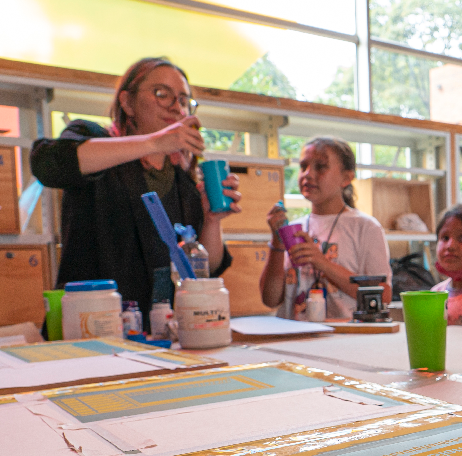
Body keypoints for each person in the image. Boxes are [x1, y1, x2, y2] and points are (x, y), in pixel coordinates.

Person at [30, 57, 240, 330]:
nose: (176, 107)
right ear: (127, 102)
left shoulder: (183, 184)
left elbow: (203, 270)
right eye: (162, 94)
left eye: (184, 100)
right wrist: (154, 142)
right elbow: (49, 164)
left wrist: (212, 221)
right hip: (90, 330)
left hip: (160, 337)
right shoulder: (96, 140)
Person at [260, 137, 392, 320]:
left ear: (346, 177)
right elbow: (270, 299)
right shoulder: (294, 228)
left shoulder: (365, 227)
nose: (308, 174)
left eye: (320, 167)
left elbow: (383, 295)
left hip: (344, 340)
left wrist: (322, 262)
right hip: (295, 338)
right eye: (303, 166)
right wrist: (276, 244)